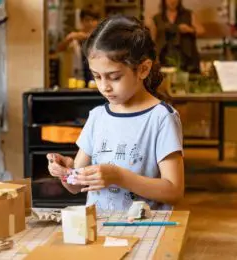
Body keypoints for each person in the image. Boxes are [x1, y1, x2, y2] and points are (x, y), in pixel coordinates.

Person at [47, 15, 184, 214]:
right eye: (96, 76)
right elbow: (76, 186)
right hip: (99, 230)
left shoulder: (161, 118)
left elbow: (174, 191)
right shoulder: (97, 117)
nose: (104, 86)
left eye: (114, 77)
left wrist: (119, 177)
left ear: (143, 69)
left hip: (145, 231)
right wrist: (67, 172)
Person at [146, 0, 205, 73]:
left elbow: (201, 31)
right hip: (164, 60)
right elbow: (153, 41)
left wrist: (189, 30)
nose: (172, 1)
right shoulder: (156, 18)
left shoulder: (189, 14)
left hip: (187, 60)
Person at [57, 5, 100, 85]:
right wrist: (68, 39)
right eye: (87, 20)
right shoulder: (75, 38)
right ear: (81, 21)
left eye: (93, 20)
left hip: (97, 79)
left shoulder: (101, 37)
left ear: (97, 21)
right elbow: (59, 49)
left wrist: (86, 36)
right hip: (78, 80)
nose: (90, 23)